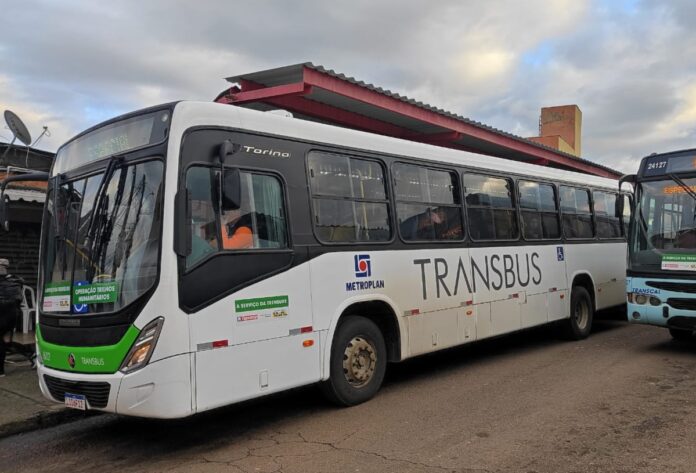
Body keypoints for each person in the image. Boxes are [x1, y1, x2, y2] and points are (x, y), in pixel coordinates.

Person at [0, 259, 34, 376]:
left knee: (4, 342)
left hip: (4, 315)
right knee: (5, 341)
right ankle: (31, 355)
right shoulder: (16, 280)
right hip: (12, 316)